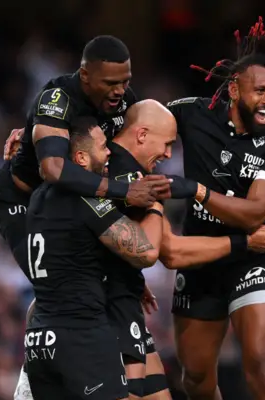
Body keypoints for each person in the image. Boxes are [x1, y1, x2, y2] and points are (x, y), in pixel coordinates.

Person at [0, 35, 170, 399]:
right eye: (111, 83)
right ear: (85, 76)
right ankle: (32, 379)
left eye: (126, 81)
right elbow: (54, 167)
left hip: (64, 201)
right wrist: (126, 192)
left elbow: (118, 146)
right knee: (58, 288)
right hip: (21, 200)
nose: (120, 91)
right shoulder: (56, 98)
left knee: (82, 281)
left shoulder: (119, 103)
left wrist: (121, 261)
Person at [106, 99, 265, 399]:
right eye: (168, 144)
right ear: (142, 135)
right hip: (94, 310)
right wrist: (245, 242)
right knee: (191, 377)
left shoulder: (109, 164)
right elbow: (167, 252)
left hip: (110, 302)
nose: (170, 154)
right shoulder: (132, 181)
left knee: (261, 364)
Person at [165, 17, 265, 400]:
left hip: (254, 251)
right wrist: (45, 129)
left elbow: (254, 213)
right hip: (200, 256)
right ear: (232, 88)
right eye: (260, 91)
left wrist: (196, 191)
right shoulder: (193, 113)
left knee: (261, 364)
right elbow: (136, 121)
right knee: (195, 378)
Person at [24, 116, 165, 400]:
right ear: (81, 158)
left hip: (39, 340)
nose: (109, 151)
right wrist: (155, 204)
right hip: (81, 337)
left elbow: (73, 253)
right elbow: (146, 251)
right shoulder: (86, 200)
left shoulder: (37, 199)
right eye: (102, 147)